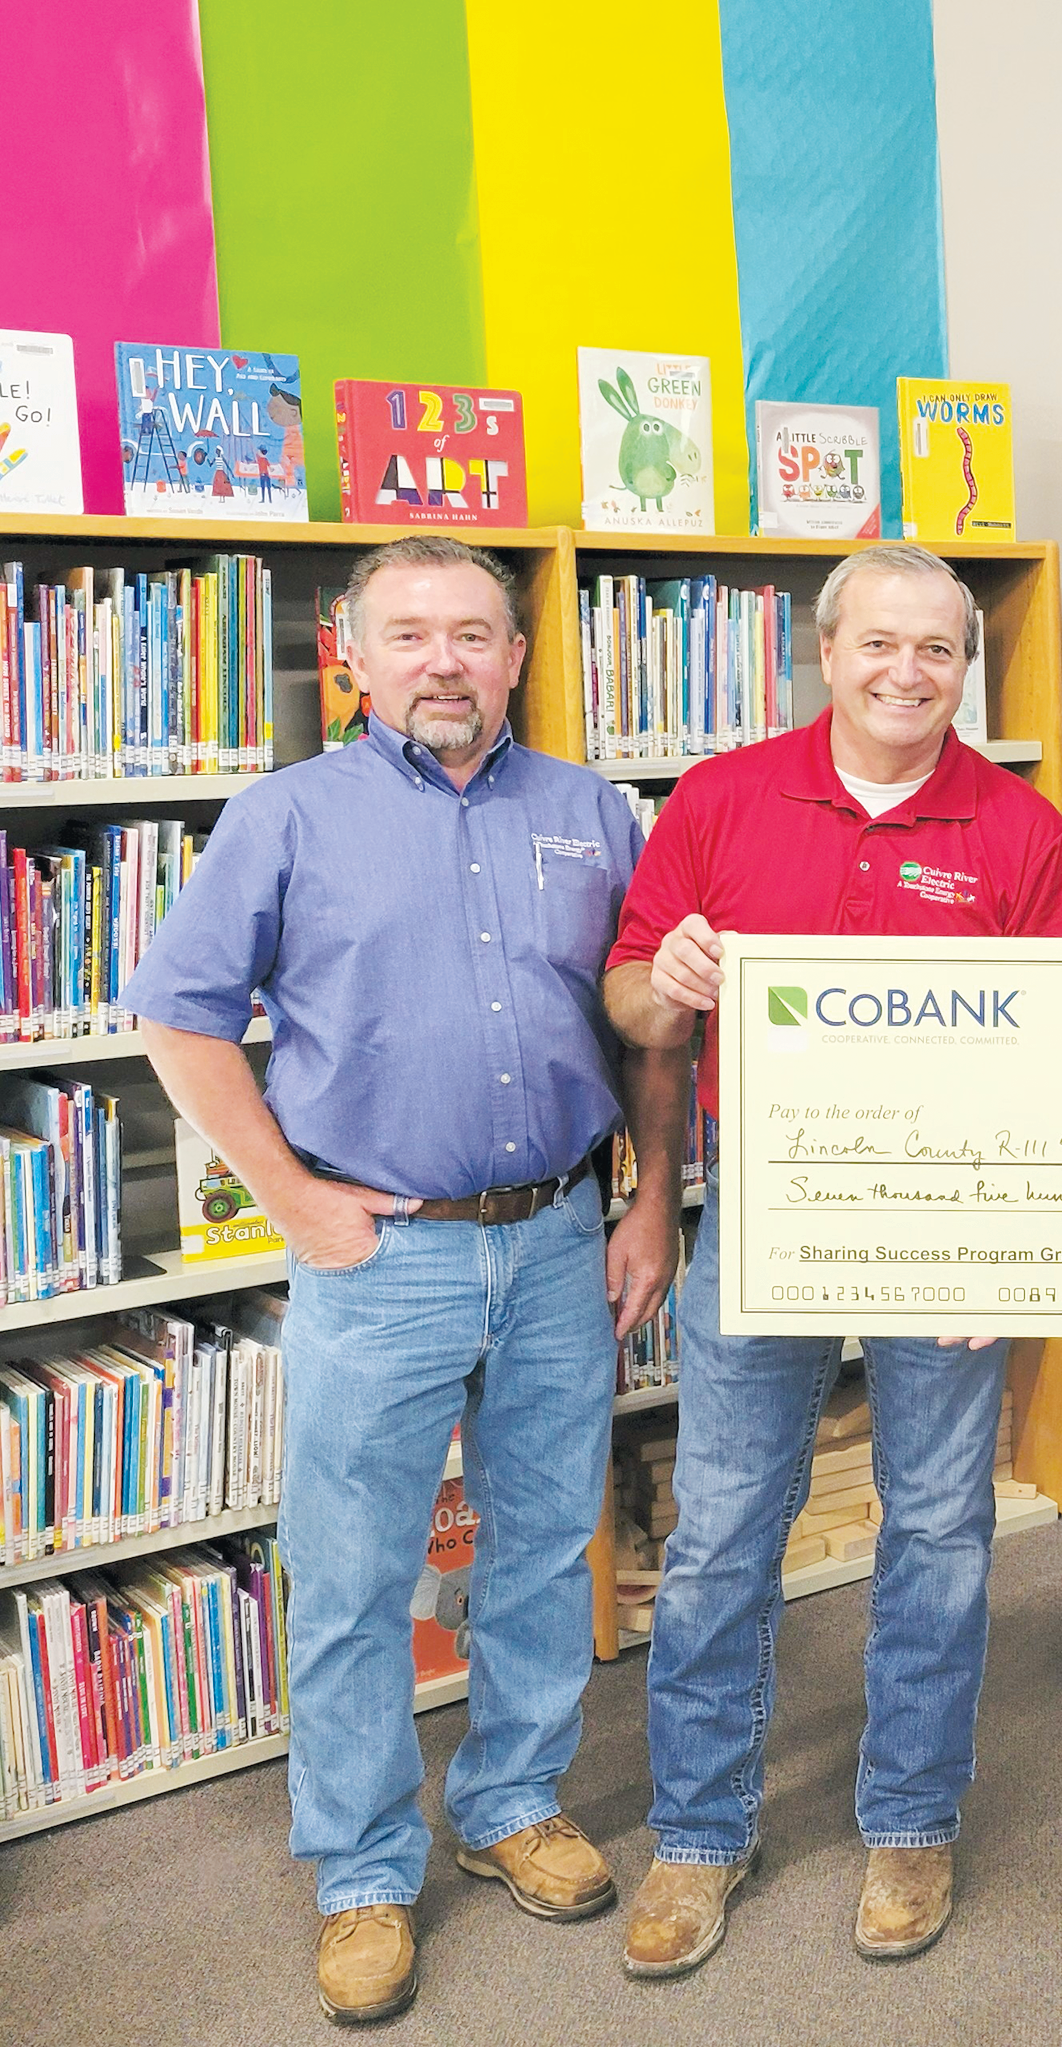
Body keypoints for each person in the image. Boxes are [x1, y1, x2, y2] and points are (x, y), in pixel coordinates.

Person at [128, 534, 684, 2027]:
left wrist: (649, 1202)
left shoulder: (592, 812)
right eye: (413, 633)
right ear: (353, 658)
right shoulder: (288, 815)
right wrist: (294, 1198)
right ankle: (364, 1868)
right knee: (360, 1575)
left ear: (517, 654)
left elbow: (646, 1027)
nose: (447, 659)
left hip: (566, 1234)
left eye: (476, 632)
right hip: (386, 1260)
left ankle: (509, 1799)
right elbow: (180, 1016)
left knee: (540, 1539)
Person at [604, 540, 1062, 1974]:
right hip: (765, 1213)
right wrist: (667, 986)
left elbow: (1058, 1047)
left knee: (938, 1528)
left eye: (937, 649)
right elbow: (632, 995)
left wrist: (1004, 1251)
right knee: (722, 1531)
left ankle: (912, 1815)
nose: (907, 672)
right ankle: (699, 1832)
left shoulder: (1018, 823)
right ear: (826, 650)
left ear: (963, 662)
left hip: (950, 1223)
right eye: (879, 643)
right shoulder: (722, 796)